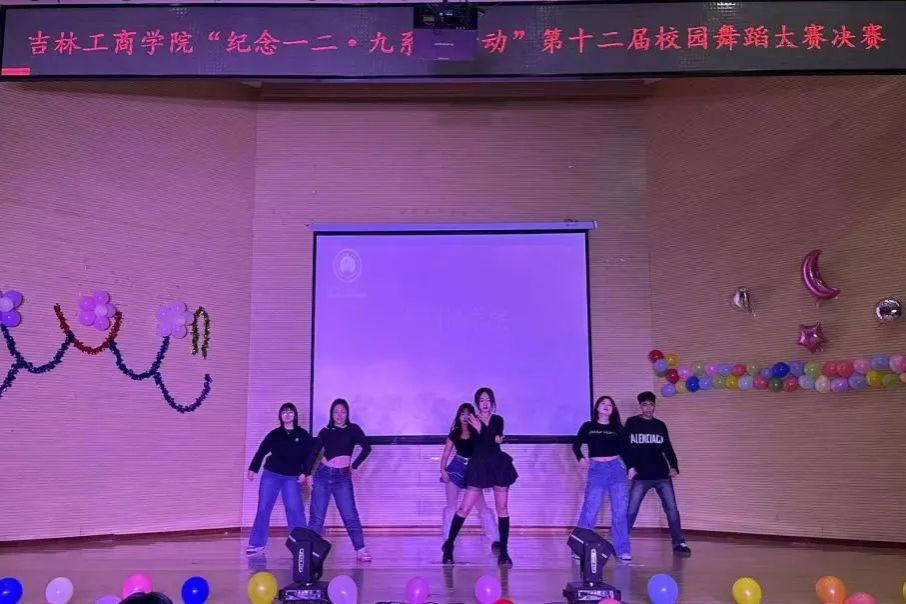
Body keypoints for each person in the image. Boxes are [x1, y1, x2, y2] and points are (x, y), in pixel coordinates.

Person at [442, 387, 518, 566]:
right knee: (464, 508)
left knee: (502, 508)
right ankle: (449, 546)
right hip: (478, 465)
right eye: (481, 400)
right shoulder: (472, 420)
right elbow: (479, 443)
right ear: (477, 403)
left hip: (498, 464)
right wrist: (485, 433)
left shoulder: (498, 419)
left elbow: (495, 440)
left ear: (492, 402)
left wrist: (485, 432)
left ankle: (504, 552)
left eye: (487, 400)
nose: (485, 403)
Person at [624, 391, 691, 555]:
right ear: (640, 406)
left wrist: (674, 466)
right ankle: (621, 540)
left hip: (662, 475)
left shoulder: (660, 425)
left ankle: (679, 542)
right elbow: (625, 448)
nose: (648, 408)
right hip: (641, 476)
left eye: (651, 405)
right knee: (631, 510)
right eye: (645, 405)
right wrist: (630, 466)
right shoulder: (631, 423)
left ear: (654, 406)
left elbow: (667, 448)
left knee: (672, 509)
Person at [307, 398, 373, 562]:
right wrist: (307, 473)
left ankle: (360, 550)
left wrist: (355, 465)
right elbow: (313, 452)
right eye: (336, 412)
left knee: (350, 515)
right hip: (322, 475)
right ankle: (308, 552)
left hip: (342, 478)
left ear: (347, 413)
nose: (339, 415)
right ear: (331, 414)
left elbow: (367, 448)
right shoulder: (325, 431)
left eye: (343, 412)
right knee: (317, 518)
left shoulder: (353, 429)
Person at [246, 402, 313, 555]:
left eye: (290, 412)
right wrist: (253, 468)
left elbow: (311, 455)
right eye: (284, 412)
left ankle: (301, 545)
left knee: (295, 510)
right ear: (280, 416)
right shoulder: (274, 434)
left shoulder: (303, 435)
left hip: (292, 477)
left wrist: (306, 472)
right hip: (271, 474)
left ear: (295, 415)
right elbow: (262, 451)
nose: (287, 415)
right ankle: (256, 544)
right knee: (263, 508)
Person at [572, 395, 631, 560]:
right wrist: (580, 458)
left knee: (620, 511)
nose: (606, 406)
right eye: (603, 403)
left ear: (613, 410)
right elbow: (576, 445)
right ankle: (579, 548)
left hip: (616, 469)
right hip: (597, 470)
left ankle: (622, 549)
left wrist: (631, 466)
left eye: (610, 404)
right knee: (590, 509)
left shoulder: (618, 428)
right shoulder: (588, 426)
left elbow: (626, 450)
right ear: (597, 407)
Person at [439, 402, 500, 551]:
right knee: (451, 506)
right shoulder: (455, 432)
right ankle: (448, 541)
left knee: (482, 507)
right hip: (456, 468)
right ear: (458, 416)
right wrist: (443, 471)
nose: (465, 417)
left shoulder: (477, 430)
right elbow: (446, 453)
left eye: (468, 414)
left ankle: (495, 540)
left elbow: (487, 447)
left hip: (474, 469)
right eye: (462, 414)